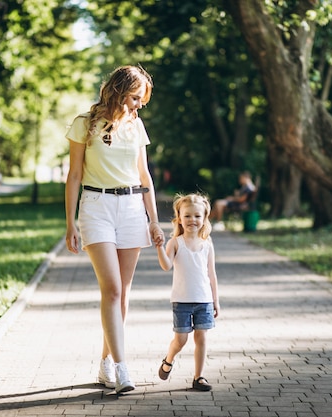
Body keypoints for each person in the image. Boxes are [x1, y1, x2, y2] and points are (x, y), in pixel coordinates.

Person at [64, 65, 165, 394]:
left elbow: (145, 175)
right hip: (96, 208)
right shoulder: (85, 124)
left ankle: (107, 361)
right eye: (136, 98)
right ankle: (122, 369)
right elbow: (74, 176)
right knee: (111, 289)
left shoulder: (137, 126)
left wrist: (154, 220)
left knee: (122, 294)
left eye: (142, 100)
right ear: (120, 91)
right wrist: (70, 224)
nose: (139, 105)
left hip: (132, 208)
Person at [155, 193, 220, 391]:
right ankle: (168, 359)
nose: (193, 220)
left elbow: (212, 274)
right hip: (182, 301)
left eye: (197, 216)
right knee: (181, 340)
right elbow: (166, 266)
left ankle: (199, 377)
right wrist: (159, 247)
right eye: (188, 216)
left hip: (204, 300)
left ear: (204, 218)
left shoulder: (207, 244)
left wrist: (216, 301)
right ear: (179, 218)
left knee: (201, 337)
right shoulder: (175, 242)